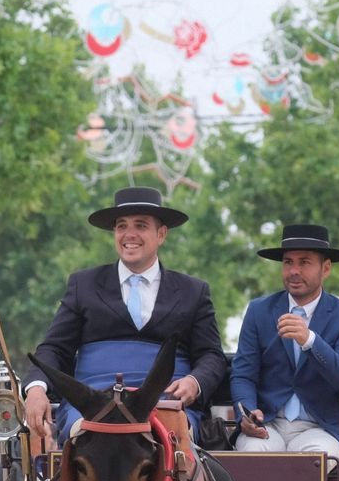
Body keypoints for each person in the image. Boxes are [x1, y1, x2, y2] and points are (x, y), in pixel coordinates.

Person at [24, 186, 227, 441]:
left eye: (141, 225)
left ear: (161, 234)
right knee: (85, 443)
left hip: (167, 403)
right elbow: (53, 348)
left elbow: (212, 355)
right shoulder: (82, 285)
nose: (129, 235)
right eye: (121, 226)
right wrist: (36, 389)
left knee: (173, 447)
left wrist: (195, 382)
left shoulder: (193, 291)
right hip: (93, 403)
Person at [231, 224, 339, 460]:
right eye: (288, 262)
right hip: (268, 425)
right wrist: (247, 413)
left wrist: (310, 340)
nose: (294, 270)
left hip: (319, 428)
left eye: (304, 262)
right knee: (251, 455)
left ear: (325, 268)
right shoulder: (259, 311)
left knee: (314, 461)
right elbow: (243, 374)